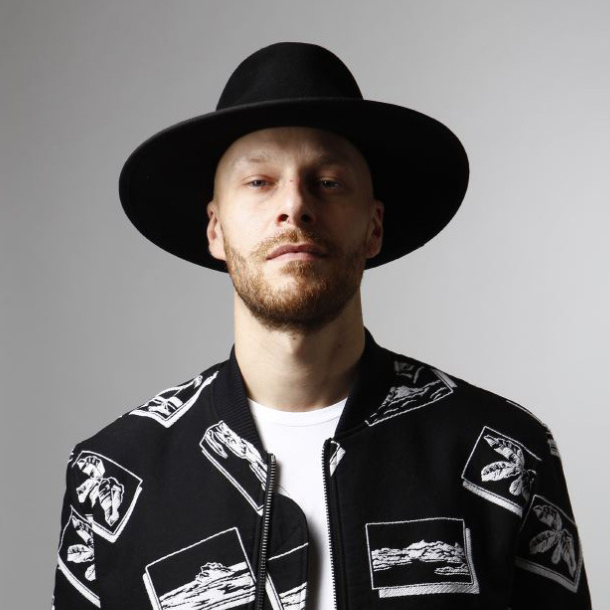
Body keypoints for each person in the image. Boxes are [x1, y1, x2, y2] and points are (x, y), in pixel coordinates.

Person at [51, 41, 592, 609]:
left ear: (374, 226)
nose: (295, 206)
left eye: (328, 181)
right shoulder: (114, 473)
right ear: (215, 229)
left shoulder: (507, 454)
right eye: (259, 182)